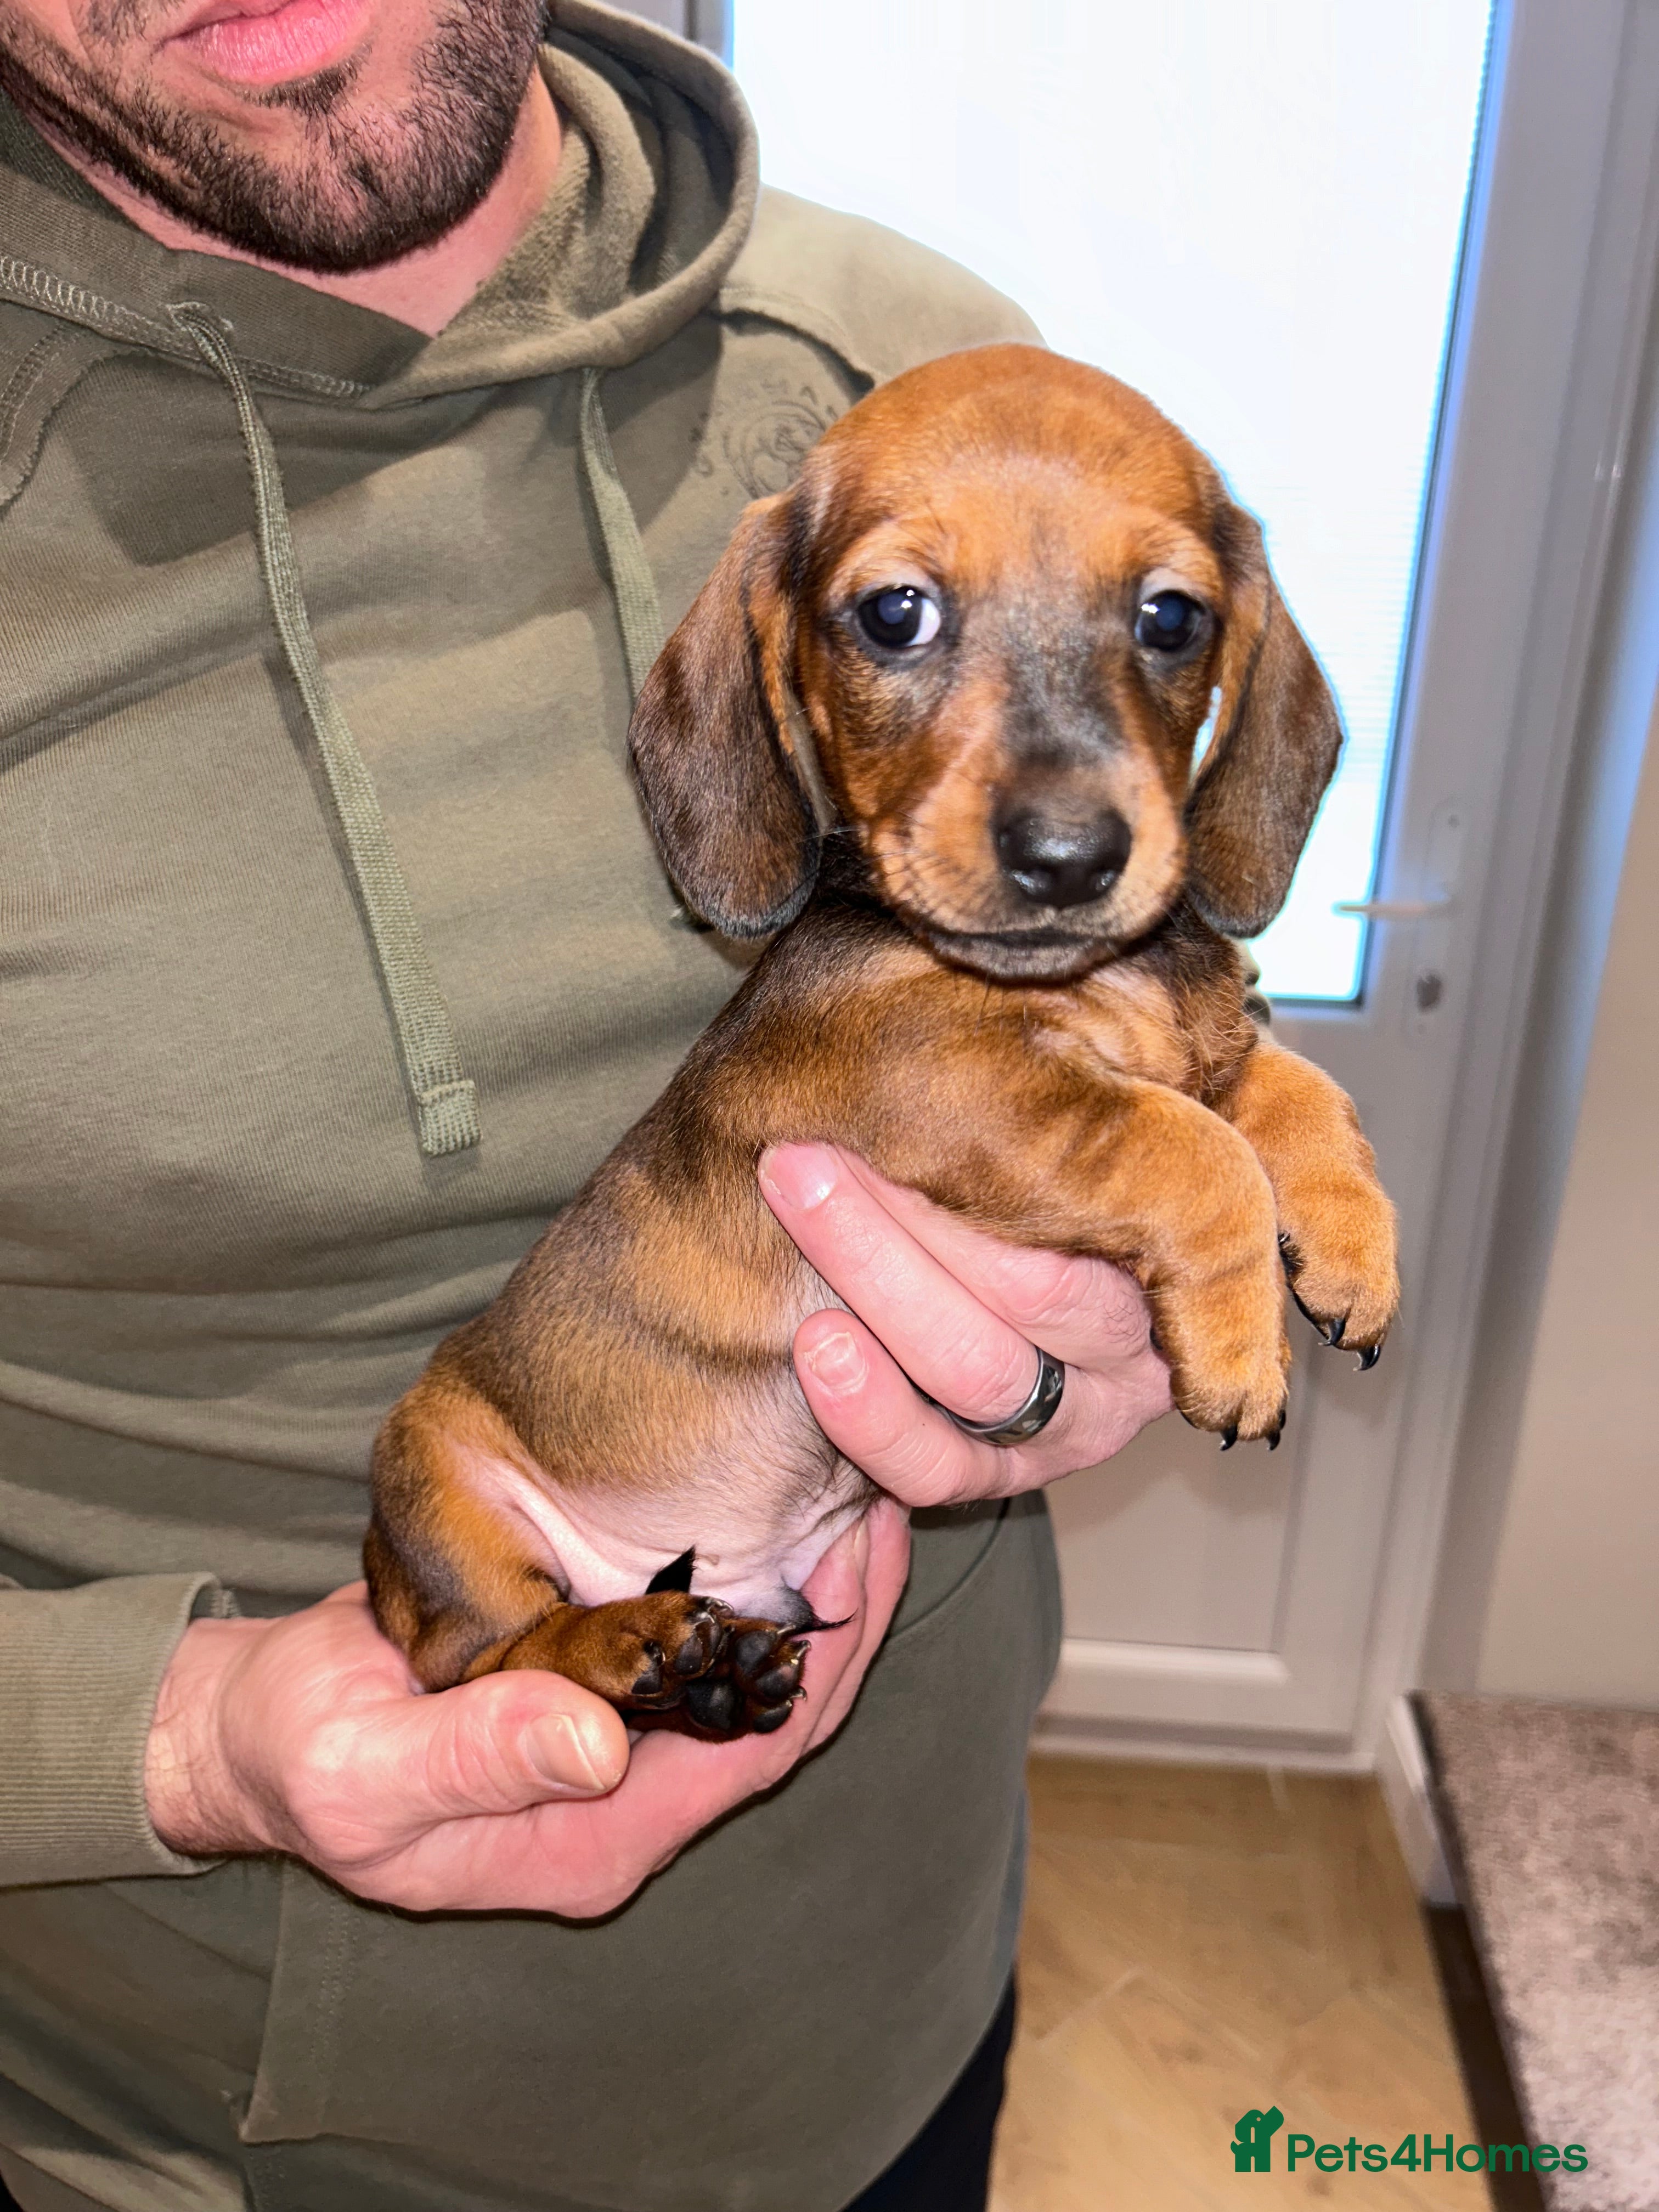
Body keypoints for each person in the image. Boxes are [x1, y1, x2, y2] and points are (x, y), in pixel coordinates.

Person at [0, 3, 1171, 2208]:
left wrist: (1104, 1315)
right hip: (209, 2155)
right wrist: (187, 1741)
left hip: (894, 2036)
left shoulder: (914, 378)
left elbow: (1153, 982)